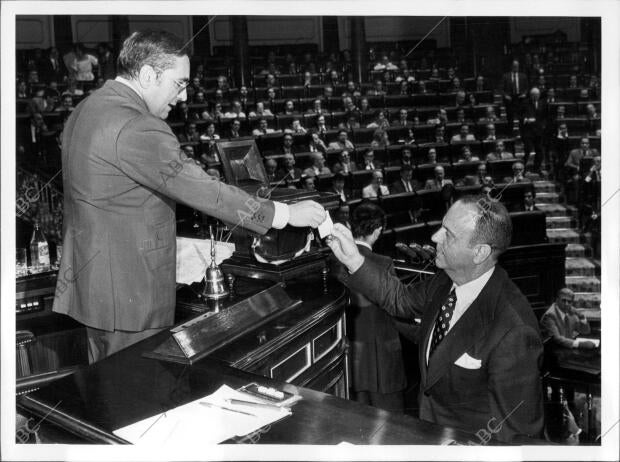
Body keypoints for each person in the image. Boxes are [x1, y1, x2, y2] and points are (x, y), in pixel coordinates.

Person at [52, 30, 326, 363]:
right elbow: (203, 191)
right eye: (179, 83)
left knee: (110, 395)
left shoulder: (86, 109)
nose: (182, 97)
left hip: (94, 286)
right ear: (149, 75)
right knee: (138, 400)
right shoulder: (136, 125)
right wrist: (283, 214)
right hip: (130, 292)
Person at [327, 196, 544, 442]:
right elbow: (399, 299)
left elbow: (518, 434)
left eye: (448, 234)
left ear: (480, 252)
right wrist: (353, 259)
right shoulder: (444, 280)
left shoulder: (514, 329)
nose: (434, 237)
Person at [330, 203, 406, 412]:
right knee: (391, 421)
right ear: (378, 230)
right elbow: (398, 306)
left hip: (346, 354)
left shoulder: (331, 260)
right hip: (381, 357)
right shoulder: (383, 262)